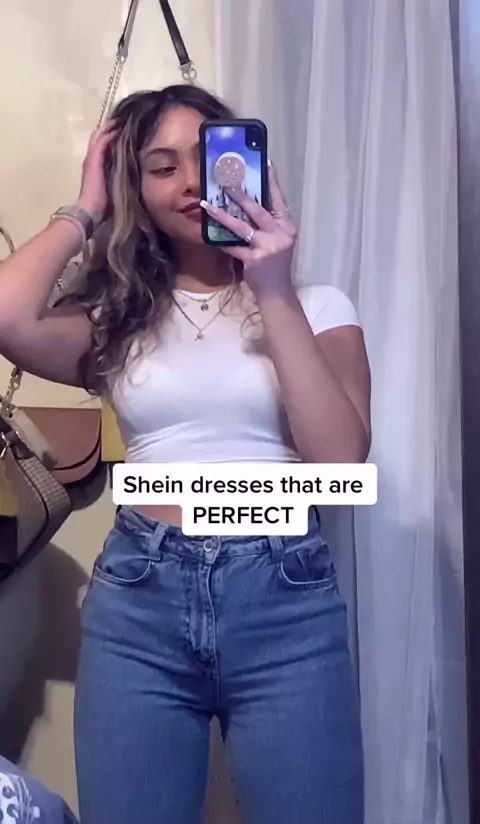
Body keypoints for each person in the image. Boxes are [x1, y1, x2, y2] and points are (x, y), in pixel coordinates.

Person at [0, 84, 371, 824]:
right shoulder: (116, 319)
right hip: (143, 592)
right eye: (162, 167)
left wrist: (271, 285)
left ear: (248, 163)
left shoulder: (318, 306)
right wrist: (86, 207)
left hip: (284, 594)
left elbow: (340, 465)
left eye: (210, 156)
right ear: (136, 190)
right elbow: (8, 316)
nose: (193, 182)